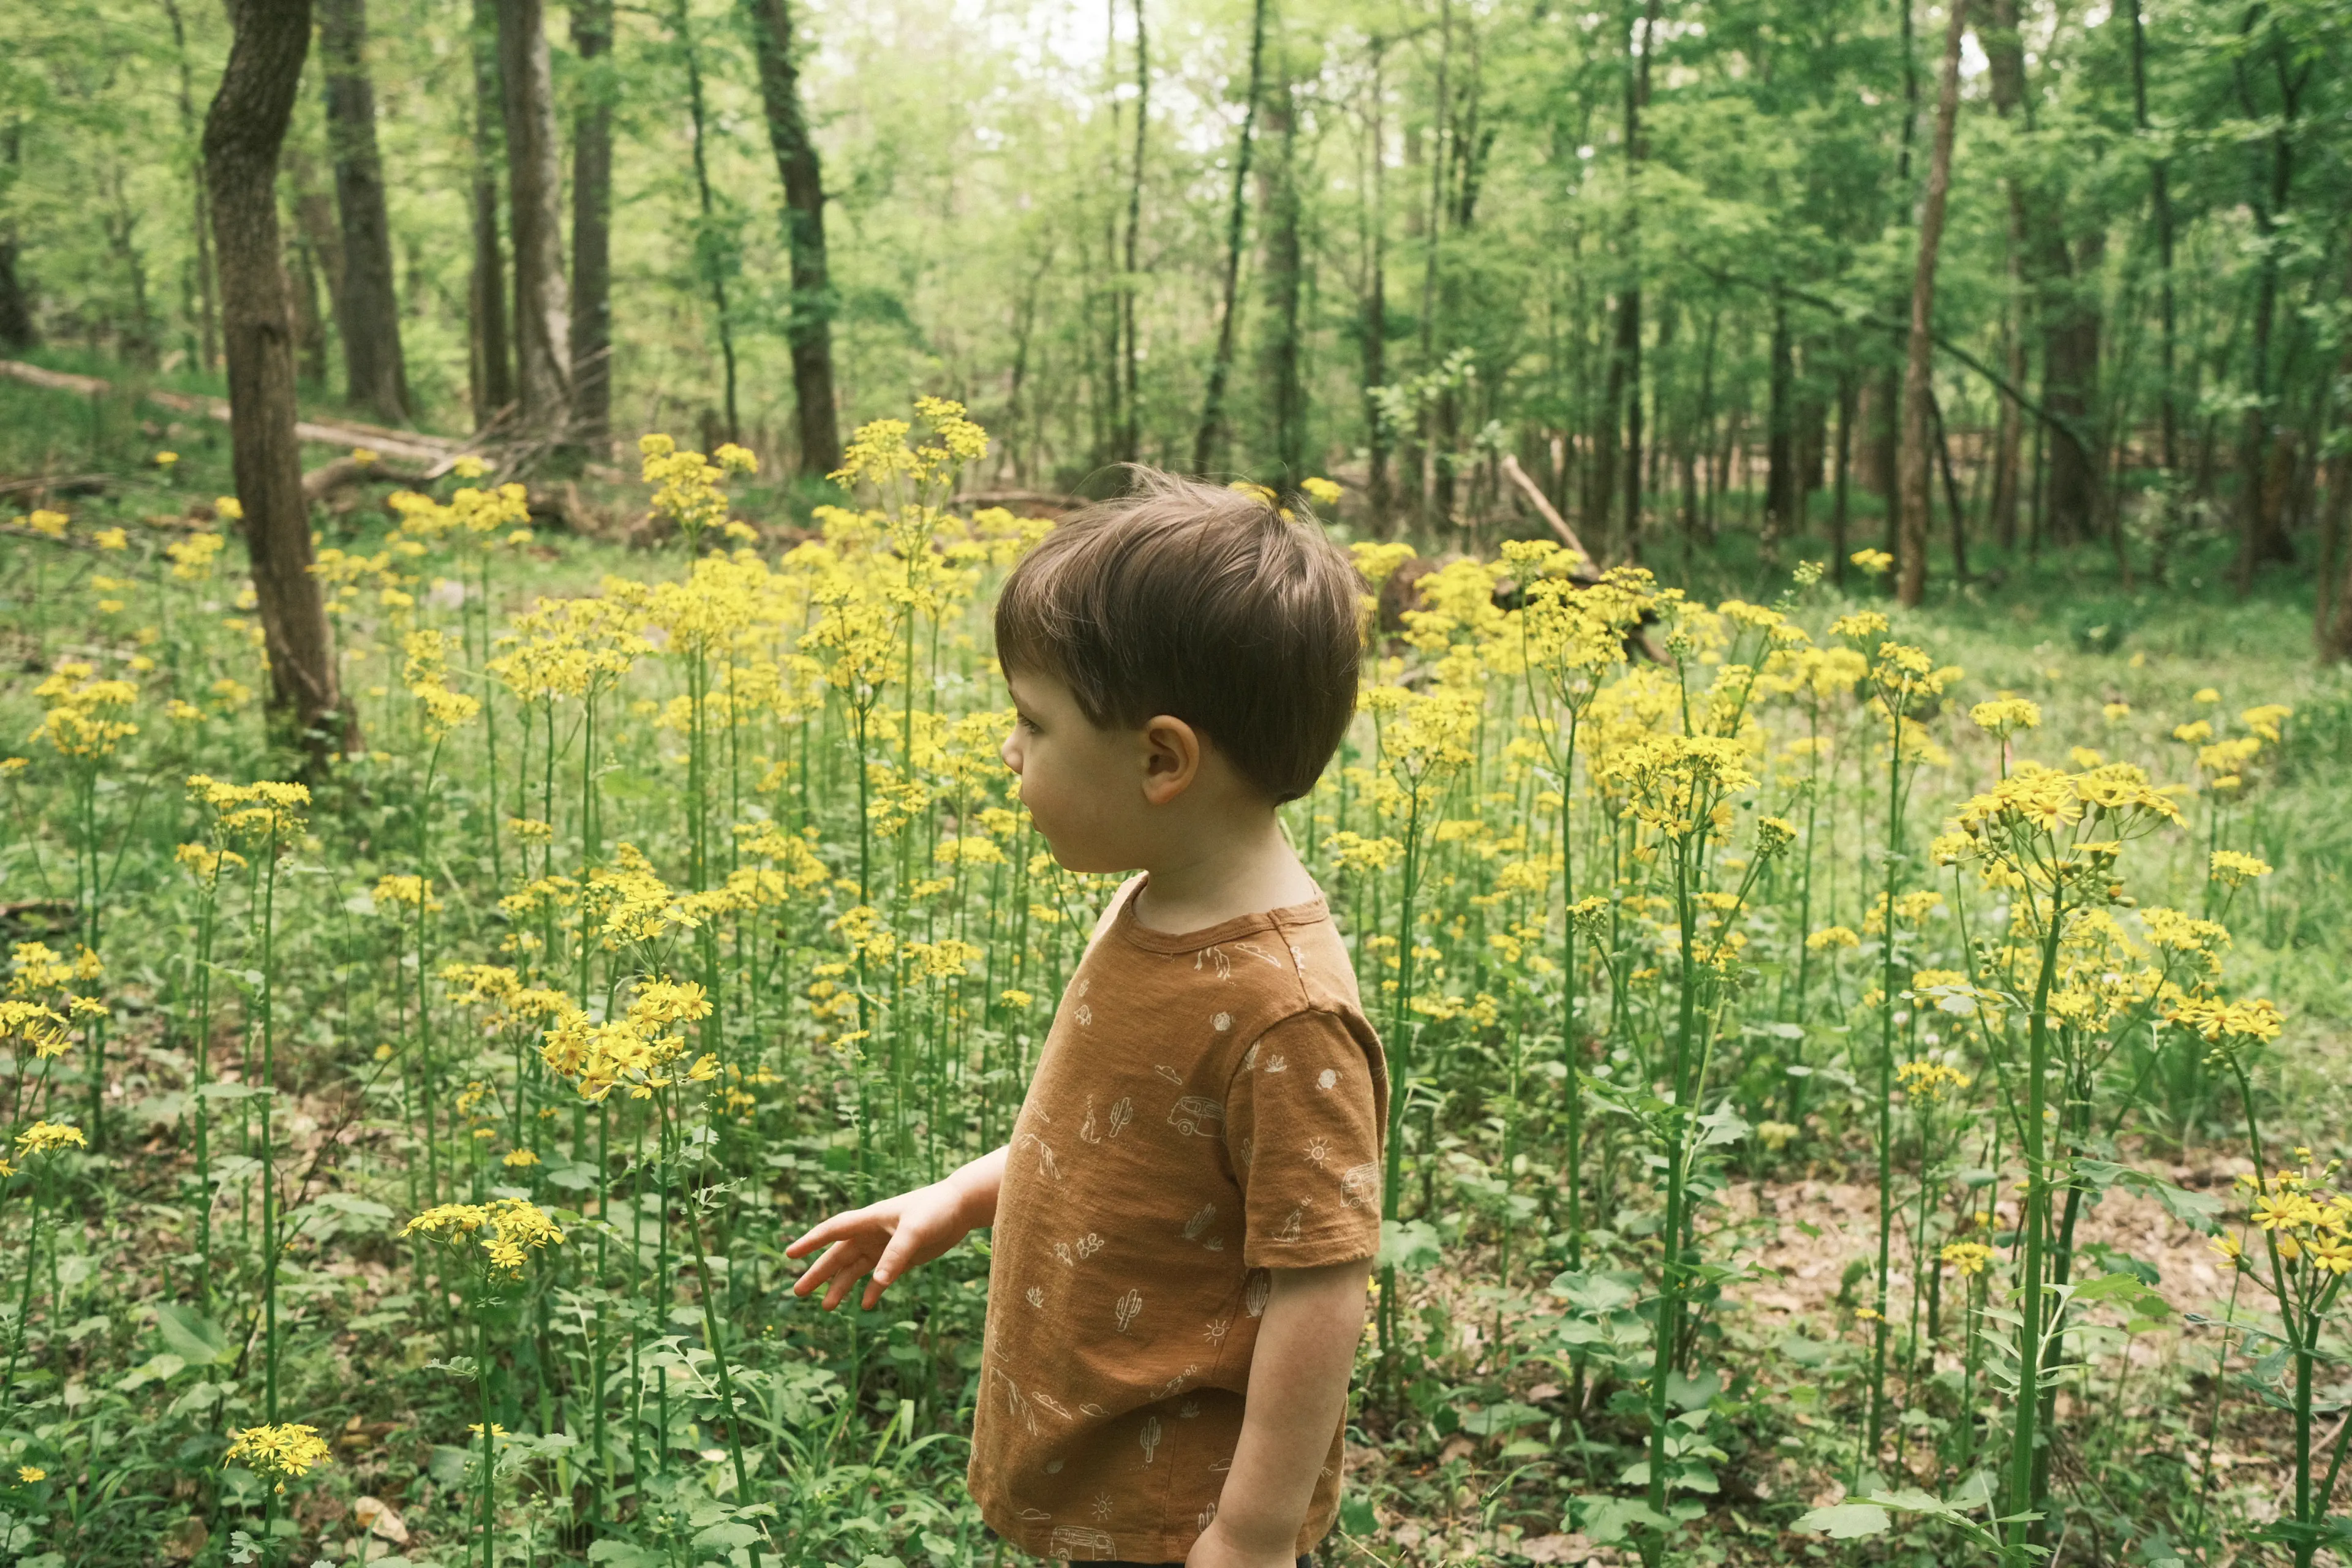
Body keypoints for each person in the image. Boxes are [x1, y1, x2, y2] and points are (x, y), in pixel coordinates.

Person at [786, 470, 1389, 1568]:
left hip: (1178, 1519)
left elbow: (1325, 1288)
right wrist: (962, 1197)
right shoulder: (1154, 900)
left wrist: (1250, 1536)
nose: (1012, 750)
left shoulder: (1285, 1012)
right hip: (1090, 1462)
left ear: (1163, 758)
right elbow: (1113, 1133)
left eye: (1035, 721)